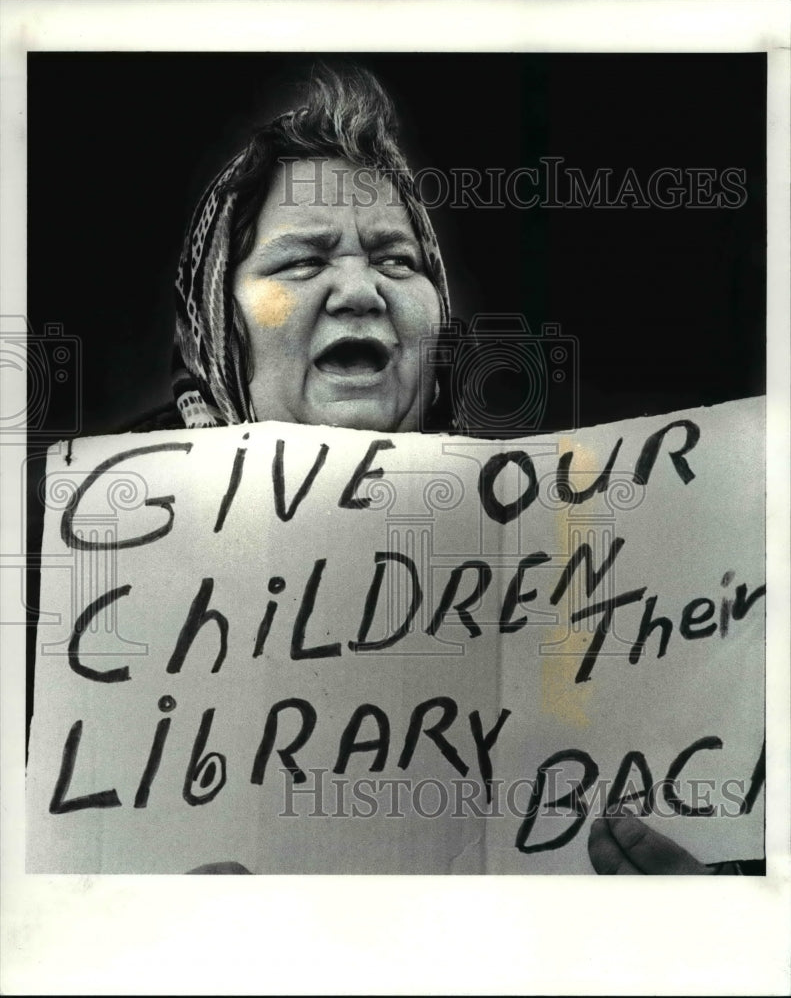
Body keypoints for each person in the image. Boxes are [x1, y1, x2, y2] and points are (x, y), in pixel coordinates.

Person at [136, 64, 754, 875]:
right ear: (208, 325)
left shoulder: (566, 534)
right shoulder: (61, 560)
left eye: (397, 261)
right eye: (299, 262)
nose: (359, 289)